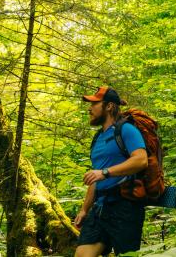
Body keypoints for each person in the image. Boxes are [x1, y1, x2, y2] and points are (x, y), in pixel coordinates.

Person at [74, 86, 149, 257]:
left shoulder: (126, 129)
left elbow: (141, 159)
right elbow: (96, 178)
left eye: (94, 103)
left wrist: (105, 172)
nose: (89, 108)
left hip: (125, 207)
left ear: (109, 106)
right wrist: (85, 209)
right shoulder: (98, 138)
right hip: (100, 208)